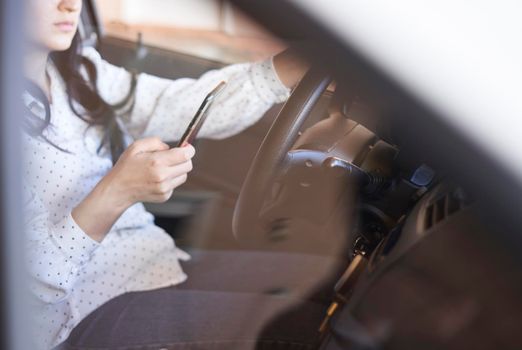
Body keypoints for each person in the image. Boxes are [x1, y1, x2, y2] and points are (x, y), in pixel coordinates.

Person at [23, 1, 339, 349]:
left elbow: (172, 104)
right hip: (84, 316)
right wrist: (117, 192)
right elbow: (31, 289)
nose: (70, 4)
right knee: (310, 327)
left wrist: (290, 66)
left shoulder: (77, 73)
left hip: (155, 264)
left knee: (332, 280)